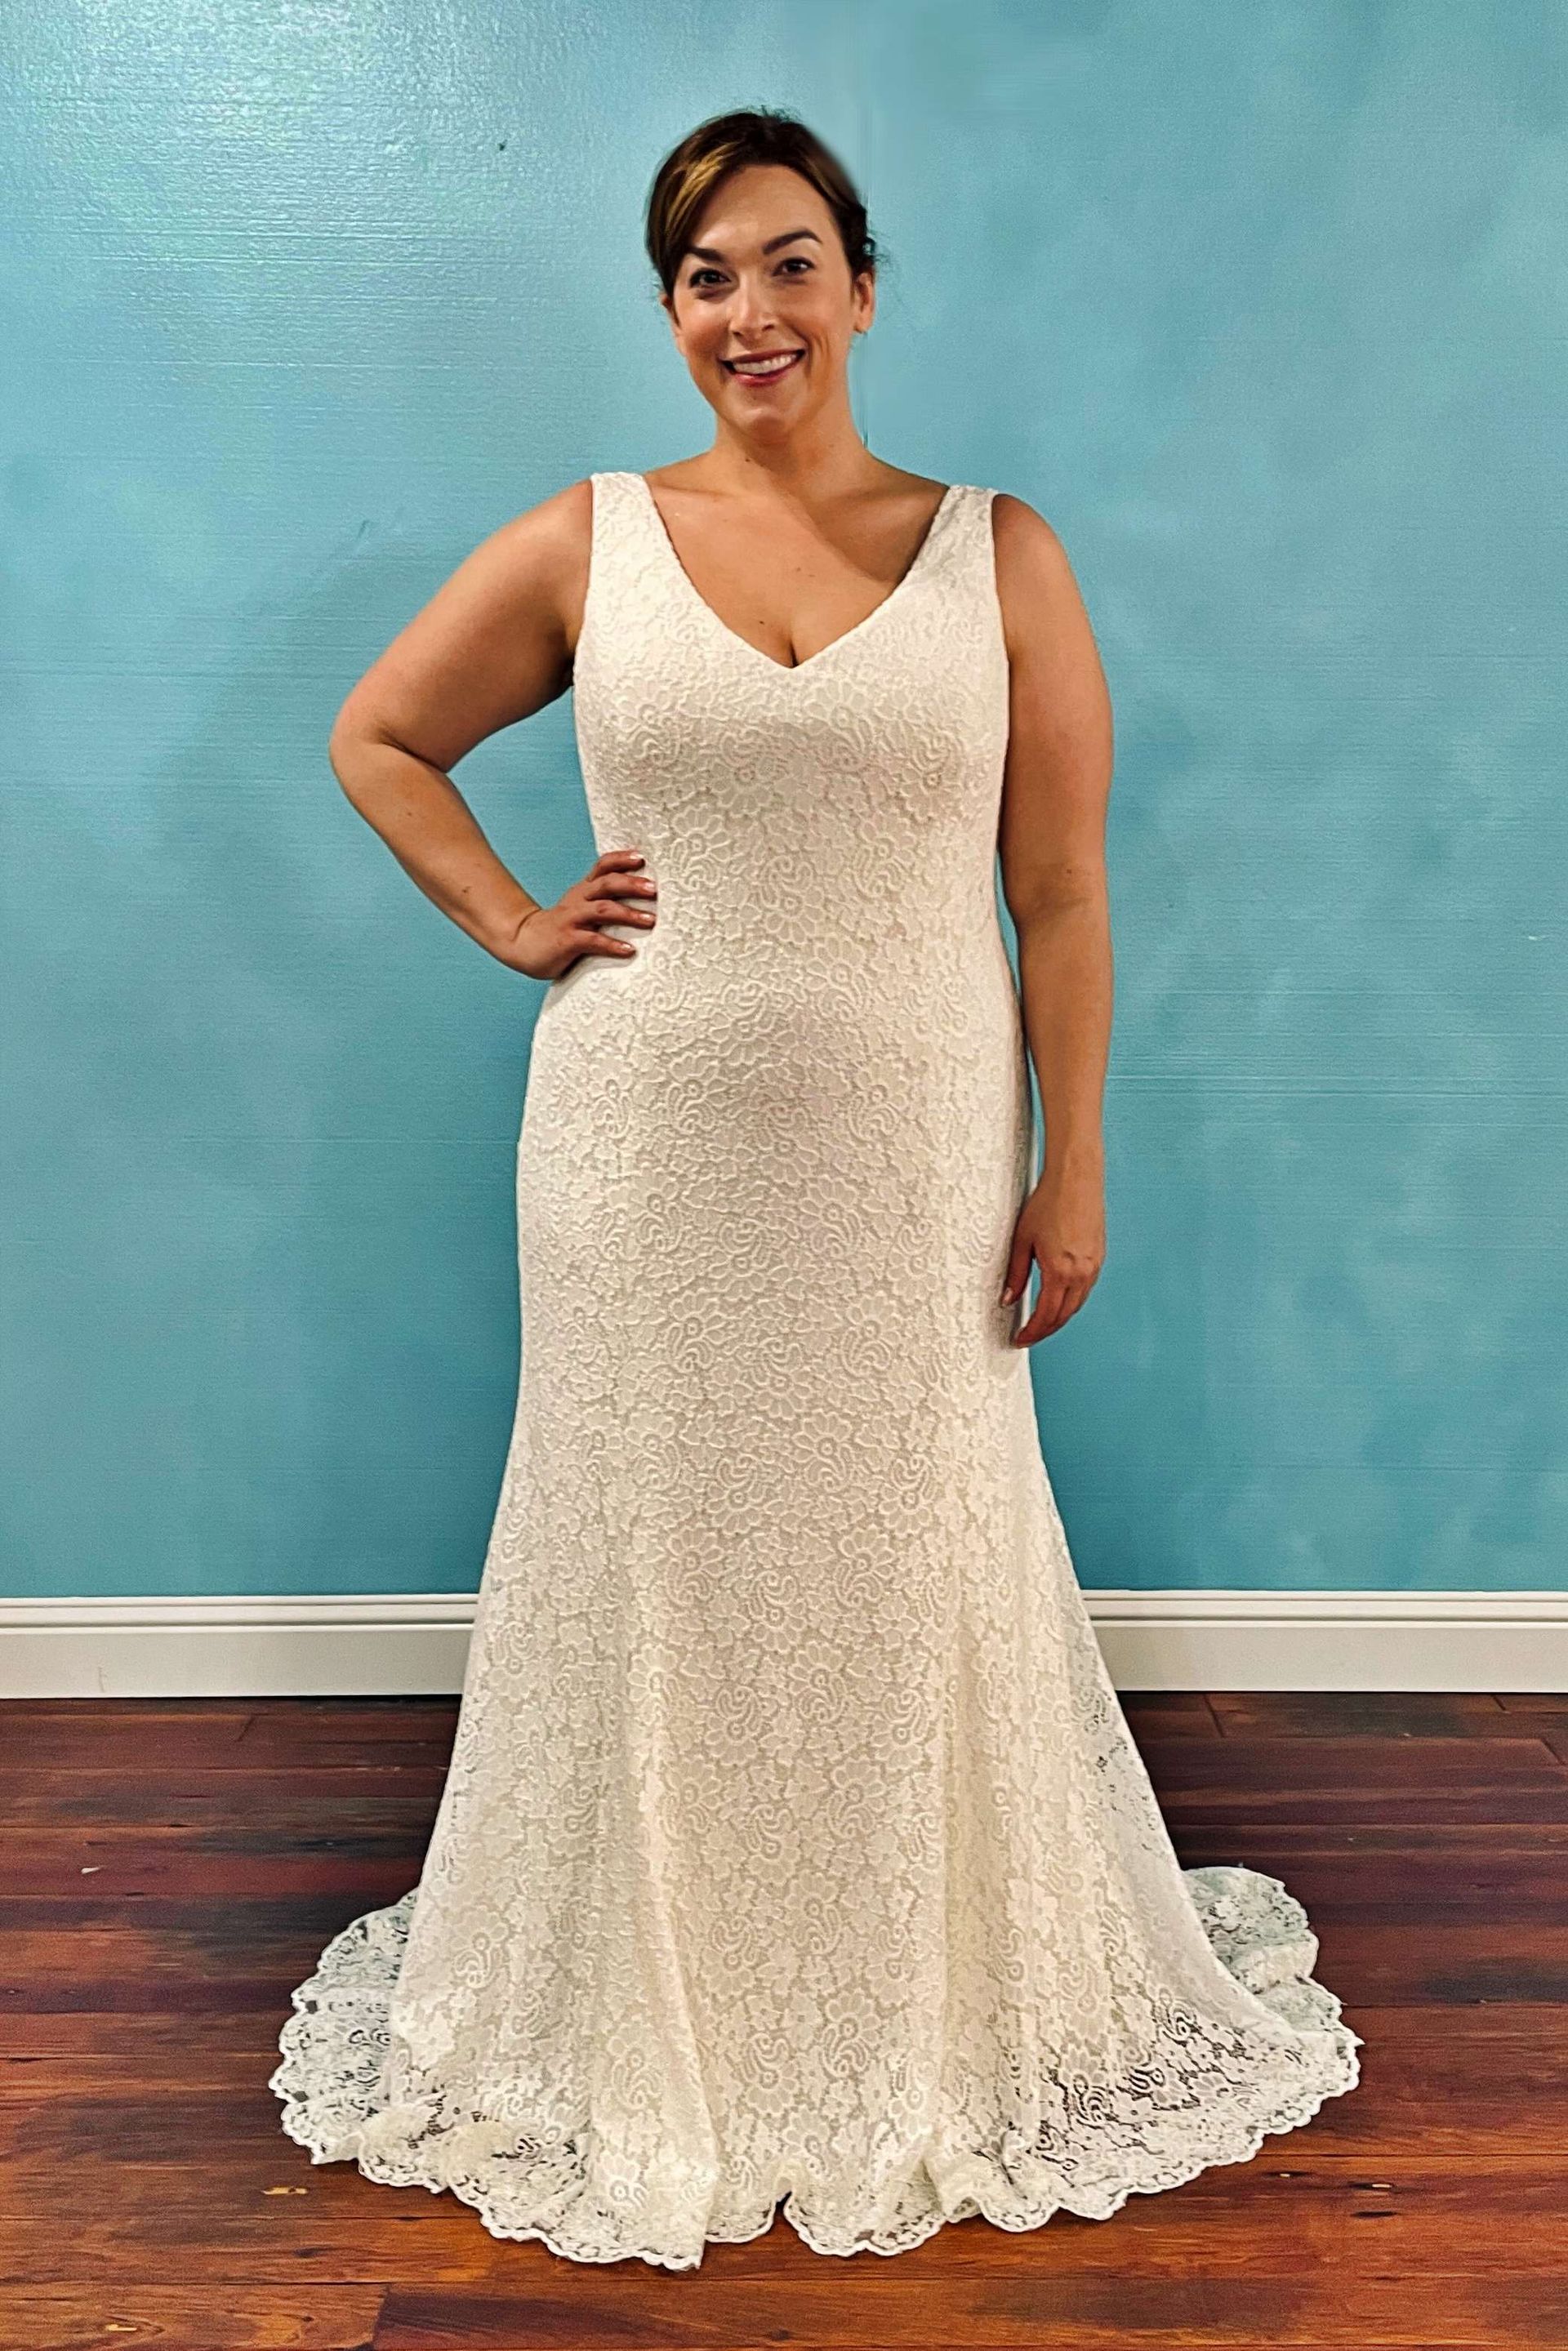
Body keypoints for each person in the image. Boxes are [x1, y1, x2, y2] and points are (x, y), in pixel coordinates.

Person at [271, 106, 1361, 2272]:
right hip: (637, 1153)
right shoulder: (591, 541)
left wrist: (1079, 1159)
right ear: (668, 310)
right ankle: (653, 2006)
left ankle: (913, 1997)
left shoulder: (999, 553)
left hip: (916, 1156)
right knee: (655, 1535)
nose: (746, 314)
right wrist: (509, 921)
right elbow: (379, 734)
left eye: (785, 265)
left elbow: (1059, 893)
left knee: (903, 1533)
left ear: (861, 284)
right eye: (701, 276)